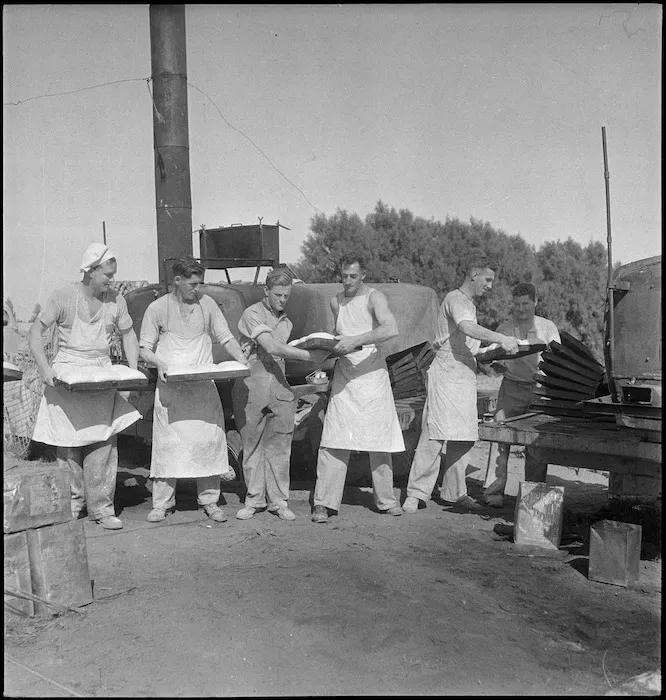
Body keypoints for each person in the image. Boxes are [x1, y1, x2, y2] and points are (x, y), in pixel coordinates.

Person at [29, 243, 142, 530]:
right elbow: (35, 332)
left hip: (100, 374)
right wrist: (45, 368)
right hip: (68, 375)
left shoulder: (116, 300)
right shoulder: (64, 297)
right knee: (68, 448)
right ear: (90, 271)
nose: (111, 280)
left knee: (103, 443)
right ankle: (71, 506)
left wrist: (131, 372)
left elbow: (128, 334)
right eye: (107, 274)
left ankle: (102, 509)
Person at [402, 254, 520, 514]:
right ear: (474, 275)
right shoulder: (455, 299)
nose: (490, 285)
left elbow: (470, 344)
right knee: (435, 433)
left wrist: (492, 352)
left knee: (463, 436)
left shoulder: (470, 304)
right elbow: (466, 328)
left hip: (464, 372)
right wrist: (501, 337)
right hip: (445, 371)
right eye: (488, 280)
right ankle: (416, 493)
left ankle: (455, 493)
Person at [138, 257, 249, 523]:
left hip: (202, 386)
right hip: (172, 390)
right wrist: (158, 362)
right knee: (168, 445)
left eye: (200, 283)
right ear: (177, 281)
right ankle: (162, 503)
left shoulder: (207, 304)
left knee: (208, 442)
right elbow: (144, 349)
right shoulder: (157, 308)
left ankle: (210, 500)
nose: (196, 289)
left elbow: (226, 337)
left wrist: (241, 359)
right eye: (192, 284)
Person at [311, 255, 405, 523]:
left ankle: (386, 500)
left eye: (353, 276)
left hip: (373, 377)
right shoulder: (336, 302)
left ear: (363, 274)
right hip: (345, 378)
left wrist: (355, 341)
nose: (348, 281)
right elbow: (338, 336)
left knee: (379, 441)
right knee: (334, 438)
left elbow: (391, 328)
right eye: (344, 276)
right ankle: (324, 503)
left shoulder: (376, 298)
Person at [231, 269, 329, 521]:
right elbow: (272, 346)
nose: (282, 299)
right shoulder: (252, 313)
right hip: (252, 385)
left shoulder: (286, 322)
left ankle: (278, 501)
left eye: (286, 295)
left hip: (279, 386)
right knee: (251, 445)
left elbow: (281, 352)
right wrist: (310, 356)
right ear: (266, 291)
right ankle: (254, 500)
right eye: (278, 294)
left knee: (280, 446)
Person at [482, 282, 560, 507]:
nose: (521, 308)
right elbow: (493, 358)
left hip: (539, 390)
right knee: (499, 438)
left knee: (536, 444)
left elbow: (557, 358)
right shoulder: (504, 328)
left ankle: (534, 497)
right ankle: (493, 492)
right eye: (516, 304)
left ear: (535, 302)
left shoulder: (548, 327)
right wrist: (496, 364)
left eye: (525, 303)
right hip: (511, 387)